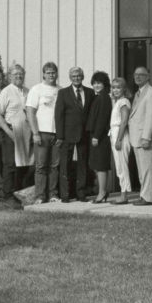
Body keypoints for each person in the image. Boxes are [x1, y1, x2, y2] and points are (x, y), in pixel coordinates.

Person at [55, 67, 93, 202]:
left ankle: (81, 193)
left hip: (84, 134)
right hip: (67, 134)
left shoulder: (89, 92)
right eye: (74, 76)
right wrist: (60, 135)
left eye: (79, 76)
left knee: (83, 164)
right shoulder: (63, 93)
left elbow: (91, 114)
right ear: (70, 78)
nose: (76, 78)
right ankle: (65, 194)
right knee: (65, 164)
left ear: (82, 77)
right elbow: (58, 115)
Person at [26, 62, 61, 204]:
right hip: (41, 132)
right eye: (48, 72)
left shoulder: (61, 90)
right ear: (44, 74)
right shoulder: (36, 89)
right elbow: (30, 112)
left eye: (53, 72)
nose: (51, 75)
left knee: (55, 166)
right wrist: (35, 133)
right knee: (41, 166)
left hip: (56, 133)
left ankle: (53, 194)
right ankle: (40, 196)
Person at [128, 67, 152, 206]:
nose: (138, 77)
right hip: (136, 138)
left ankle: (148, 197)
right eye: (136, 74)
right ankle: (144, 195)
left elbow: (151, 116)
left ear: (148, 77)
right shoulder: (138, 93)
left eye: (141, 75)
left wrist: (146, 137)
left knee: (147, 169)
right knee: (142, 170)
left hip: (144, 138)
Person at [0, 65, 31, 191]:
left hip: (26, 132)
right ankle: (8, 194)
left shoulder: (27, 91)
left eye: (21, 74)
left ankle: (20, 192)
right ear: (10, 76)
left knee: (23, 164)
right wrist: (8, 132)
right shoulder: (6, 91)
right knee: (10, 164)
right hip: (11, 131)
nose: (18, 76)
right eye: (15, 74)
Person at [84, 70, 112, 203]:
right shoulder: (98, 97)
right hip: (95, 136)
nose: (96, 85)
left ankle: (102, 193)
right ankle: (102, 192)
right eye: (94, 83)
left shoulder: (104, 98)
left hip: (100, 137)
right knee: (98, 165)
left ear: (105, 84)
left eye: (99, 83)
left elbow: (102, 119)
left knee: (101, 165)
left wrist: (96, 136)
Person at [108, 77, 134, 204]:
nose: (116, 90)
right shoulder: (117, 102)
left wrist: (119, 139)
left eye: (118, 87)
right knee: (119, 166)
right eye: (113, 87)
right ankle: (123, 193)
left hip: (121, 134)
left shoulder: (124, 101)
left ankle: (124, 195)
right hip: (114, 132)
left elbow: (124, 121)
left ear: (124, 89)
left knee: (122, 166)